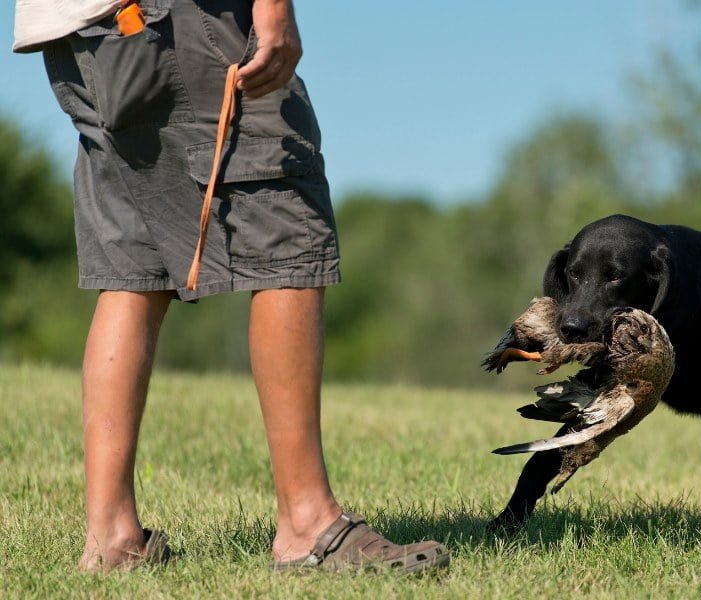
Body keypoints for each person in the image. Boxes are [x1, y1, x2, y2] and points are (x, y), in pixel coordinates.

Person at [13, 0, 449, 573]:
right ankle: (307, 525)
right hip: (178, 15)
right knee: (289, 233)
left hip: (78, 30)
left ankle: (112, 539)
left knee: (133, 268)